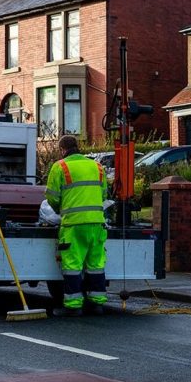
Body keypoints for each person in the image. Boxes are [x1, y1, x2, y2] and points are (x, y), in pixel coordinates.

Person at [44, 135, 108, 316]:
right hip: (97, 223)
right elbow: (103, 194)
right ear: (77, 147)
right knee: (96, 264)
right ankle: (97, 304)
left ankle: (73, 307)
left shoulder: (60, 166)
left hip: (73, 224)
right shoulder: (97, 166)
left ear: (62, 149)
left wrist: (59, 209)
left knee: (72, 265)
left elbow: (52, 197)